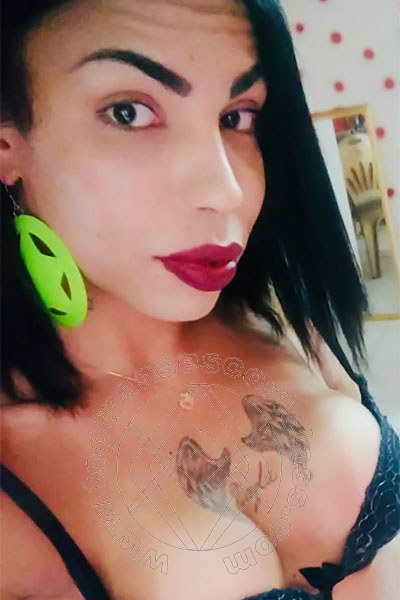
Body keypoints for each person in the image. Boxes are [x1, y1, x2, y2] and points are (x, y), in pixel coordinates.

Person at [0, 1, 399, 599]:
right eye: (129, 113)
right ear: (8, 147)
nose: (225, 189)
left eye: (237, 116)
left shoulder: (284, 320)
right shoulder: (15, 473)